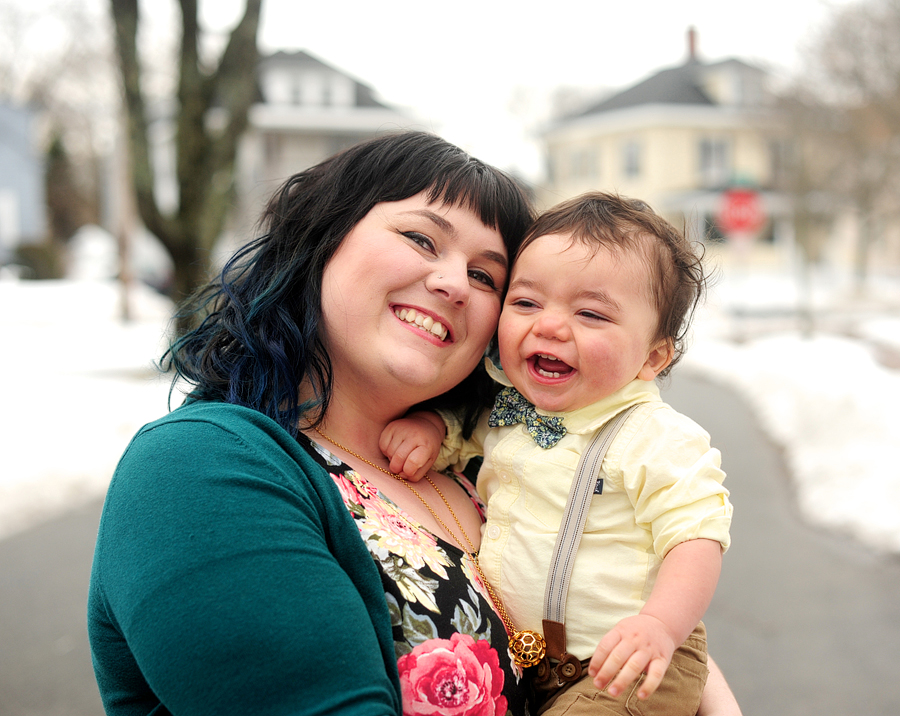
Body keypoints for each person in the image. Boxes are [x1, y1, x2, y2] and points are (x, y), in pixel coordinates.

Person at [87, 132, 741, 716]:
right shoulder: (201, 470)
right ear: (322, 237)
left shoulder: (478, 463)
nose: (455, 282)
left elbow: (627, 596)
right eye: (421, 239)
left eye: (487, 274)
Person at [381, 192, 733, 716]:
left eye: (590, 313)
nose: (548, 325)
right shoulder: (511, 411)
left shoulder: (654, 435)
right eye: (525, 303)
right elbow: (469, 433)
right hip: (537, 659)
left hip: (626, 663)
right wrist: (433, 427)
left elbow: (696, 537)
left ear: (653, 356)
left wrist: (660, 624)